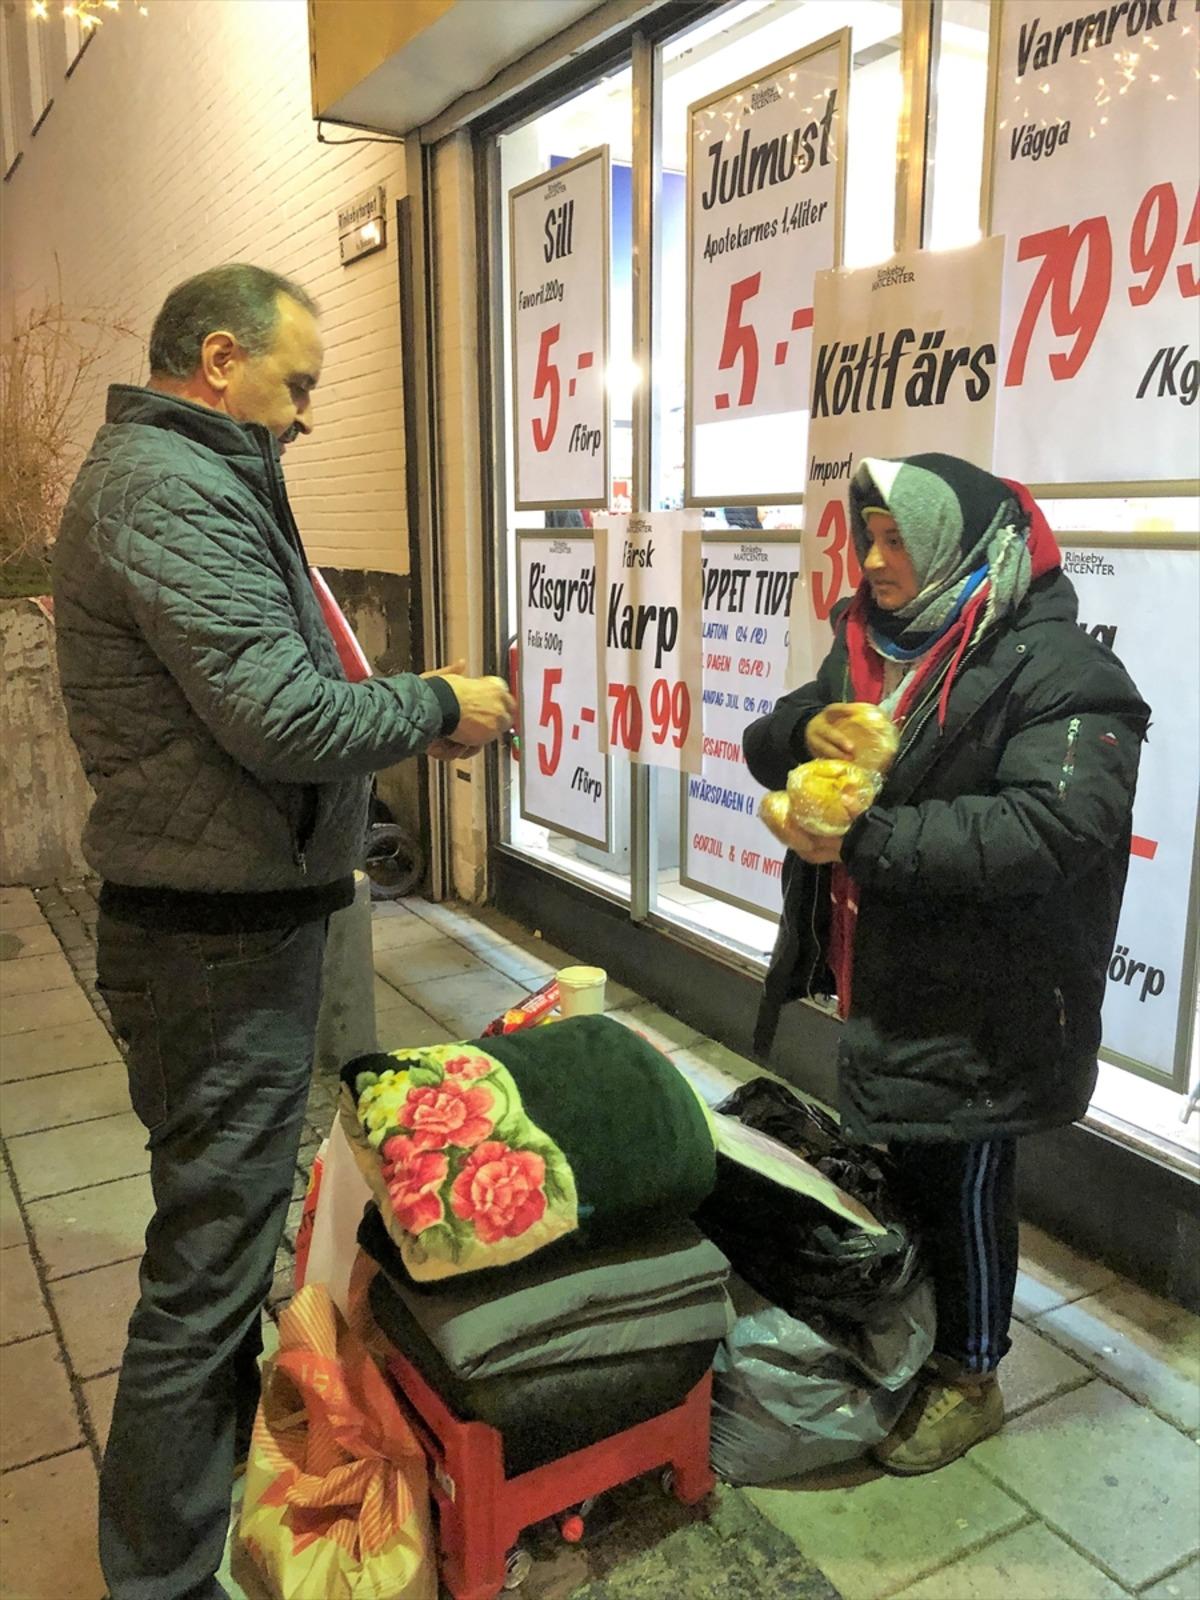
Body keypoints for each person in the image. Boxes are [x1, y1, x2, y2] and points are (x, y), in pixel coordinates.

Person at [52, 263, 515, 1599]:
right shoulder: (171, 489)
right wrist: (437, 703)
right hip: (215, 945)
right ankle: (160, 1578)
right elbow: (284, 715)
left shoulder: (195, 475)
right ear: (217, 358)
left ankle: (172, 1544)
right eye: (295, 382)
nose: (306, 411)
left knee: (218, 1246)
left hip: (231, 920)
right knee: (207, 1276)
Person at [744, 452, 1148, 1475]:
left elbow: (1052, 827)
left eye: (900, 540)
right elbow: (768, 742)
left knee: (965, 1175)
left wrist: (866, 839)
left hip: (989, 991)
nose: (876, 560)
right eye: (869, 537)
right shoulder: (875, 646)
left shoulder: (1065, 672)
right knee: (914, 1158)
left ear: (963, 546)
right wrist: (803, 732)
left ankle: (971, 1375)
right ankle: (924, 1326)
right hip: (898, 972)